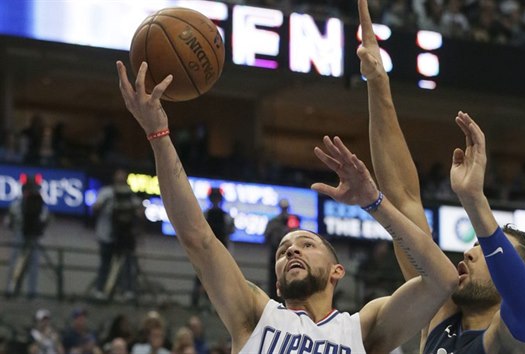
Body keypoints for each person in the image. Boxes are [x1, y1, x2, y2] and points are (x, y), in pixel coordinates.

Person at [116, 55, 457, 353]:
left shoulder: (362, 330)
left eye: (306, 244)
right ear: (277, 283)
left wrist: (374, 202)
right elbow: (198, 238)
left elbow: (443, 280)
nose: (292, 252)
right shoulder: (253, 314)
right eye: (283, 251)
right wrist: (158, 135)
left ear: (338, 271)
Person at [357, 1, 525, 352]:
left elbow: (522, 301)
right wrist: (378, 83)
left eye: (488, 252)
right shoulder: (440, 313)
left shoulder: (512, 341)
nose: (471, 253)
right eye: (476, 246)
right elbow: (403, 198)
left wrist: (474, 200)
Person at [92, 168, 142, 300]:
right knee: (105, 264)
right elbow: (95, 207)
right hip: (107, 235)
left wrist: (137, 210)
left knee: (127, 265)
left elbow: (140, 212)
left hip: (124, 236)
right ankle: (100, 290)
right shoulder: (107, 193)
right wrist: (103, 204)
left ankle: (127, 291)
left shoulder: (130, 195)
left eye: (123, 178)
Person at [5, 175, 50, 298]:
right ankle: (12, 288)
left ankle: (31, 291)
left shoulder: (41, 207)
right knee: (15, 263)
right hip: (20, 235)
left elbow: (44, 222)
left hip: (33, 237)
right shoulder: (16, 206)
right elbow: (9, 222)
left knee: (33, 265)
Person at [191, 188, 234, 307]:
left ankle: (220, 306)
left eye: (217, 198)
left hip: (221, 251)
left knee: (220, 279)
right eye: (213, 198)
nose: (215, 201)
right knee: (201, 276)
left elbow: (230, 231)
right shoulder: (205, 214)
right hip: (206, 251)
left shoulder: (226, 216)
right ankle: (196, 303)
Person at [263, 198, 300, 299]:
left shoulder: (293, 221)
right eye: (283, 208)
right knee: (274, 281)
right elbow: (266, 237)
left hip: (290, 256)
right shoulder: (273, 222)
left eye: (286, 208)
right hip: (275, 255)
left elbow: (298, 237)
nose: (284, 210)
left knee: (290, 280)